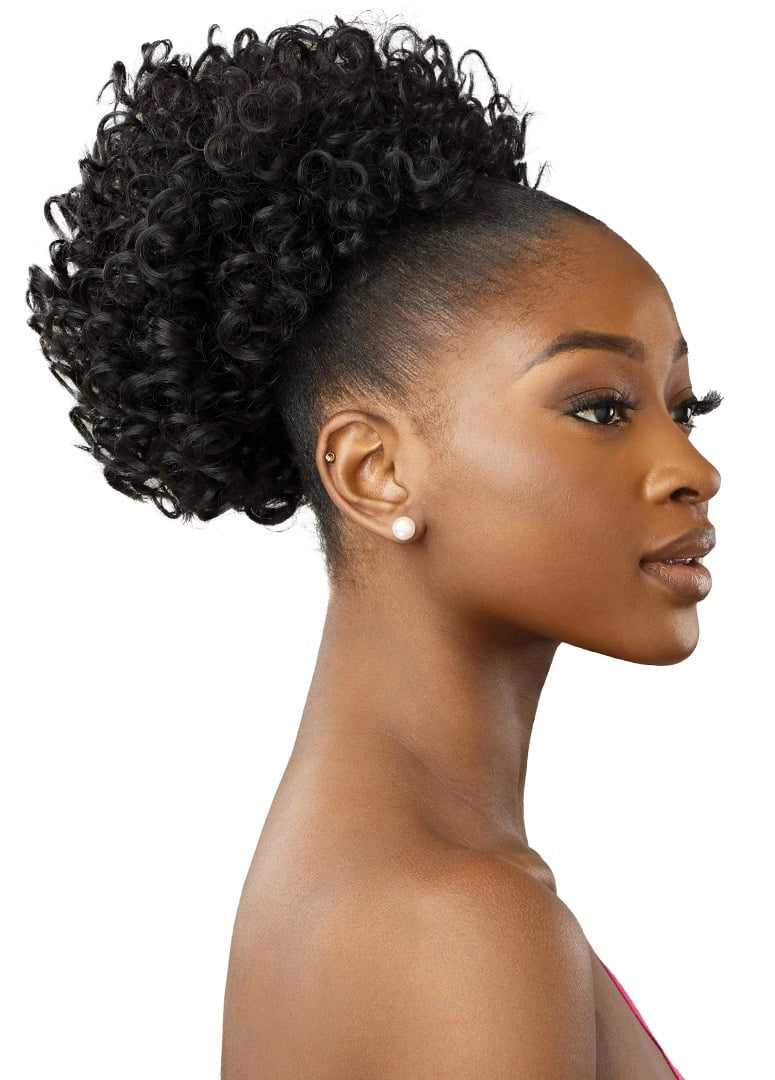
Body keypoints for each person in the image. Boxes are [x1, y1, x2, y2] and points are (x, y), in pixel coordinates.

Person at [25, 14, 721, 1079]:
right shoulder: (461, 922)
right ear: (372, 470)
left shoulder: (360, 873)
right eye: (599, 407)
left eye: (685, 408)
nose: (692, 468)